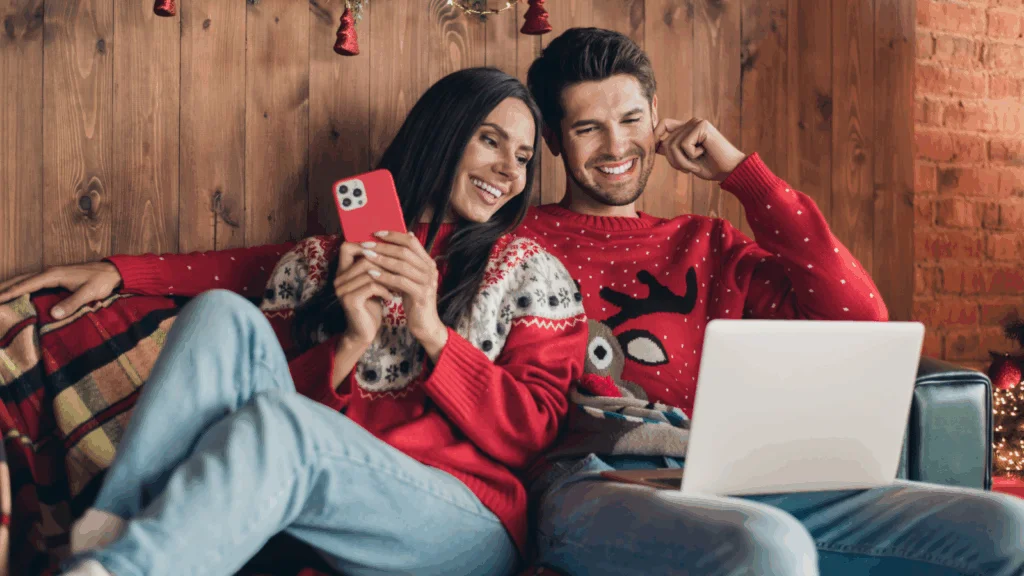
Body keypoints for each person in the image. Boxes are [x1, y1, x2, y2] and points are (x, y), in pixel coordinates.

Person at [0, 67, 587, 576]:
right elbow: (256, 422)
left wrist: (432, 331)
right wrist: (350, 343)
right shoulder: (315, 264)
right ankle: (109, 536)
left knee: (285, 424)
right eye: (490, 140)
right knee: (220, 312)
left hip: (461, 521)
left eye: (523, 157)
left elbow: (533, 434)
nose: (509, 171)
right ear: (442, 133)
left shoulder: (530, 273)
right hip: (323, 503)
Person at [517, 27, 1024, 576]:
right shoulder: (513, 242)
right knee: (768, 547)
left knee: (1005, 526)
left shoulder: (707, 242)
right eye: (588, 128)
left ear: (656, 115)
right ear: (553, 138)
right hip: (591, 480)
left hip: (724, 476)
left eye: (631, 120)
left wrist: (742, 175)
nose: (617, 146)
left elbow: (857, 316)